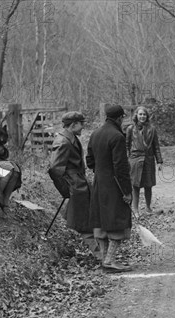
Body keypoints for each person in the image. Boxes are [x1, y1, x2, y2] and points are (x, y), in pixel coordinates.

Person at [87, 104, 133, 272]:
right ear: (119, 118)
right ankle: (109, 261)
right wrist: (127, 191)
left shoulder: (95, 134)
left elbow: (89, 161)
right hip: (115, 185)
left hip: (99, 183)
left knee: (102, 221)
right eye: (123, 118)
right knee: (116, 222)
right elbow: (121, 167)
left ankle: (106, 260)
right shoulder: (117, 136)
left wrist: (101, 171)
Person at [48, 112, 96, 253]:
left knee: (83, 220)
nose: (83, 127)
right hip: (75, 186)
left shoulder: (71, 138)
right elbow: (55, 169)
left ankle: (93, 251)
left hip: (79, 184)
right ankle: (96, 254)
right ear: (74, 124)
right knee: (80, 223)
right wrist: (66, 189)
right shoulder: (63, 141)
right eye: (81, 124)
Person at [126, 106, 163, 215]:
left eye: (144, 114)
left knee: (148, 185)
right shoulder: (130, 129)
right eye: (140, 114)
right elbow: (126, 145)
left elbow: (156, 146)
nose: (142, 116)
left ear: (147, 116)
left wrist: (159, 161)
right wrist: (127, 160)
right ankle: (136, 210)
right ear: (136, 115)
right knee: (135, 185)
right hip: (135, 160)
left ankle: (148, 208)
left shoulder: (152, 129)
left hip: (148, 159)